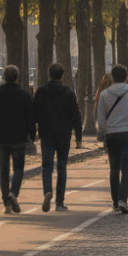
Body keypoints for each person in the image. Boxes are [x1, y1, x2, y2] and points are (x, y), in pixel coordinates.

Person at [96, 64, 128, 214]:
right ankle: (123, 200)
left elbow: (100, 118)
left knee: (114, 169)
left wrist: (104, 132)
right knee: (126, 169)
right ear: (126, 77)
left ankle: (114, 202)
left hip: (111, 134)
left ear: (112, 77)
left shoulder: (104, 94)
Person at [33, 63, 83, 212]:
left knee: (46, 166)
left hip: (46, 133)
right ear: (62, 75)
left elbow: (34, 113)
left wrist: (32, 132)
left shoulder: (41, 92)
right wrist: (78, 134)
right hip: (64, 134)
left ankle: (47, 191)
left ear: (49, 75)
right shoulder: (68, 92)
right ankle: (60, 202)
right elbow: (76, 114)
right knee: (62, 167)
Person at [0, 65, 36, 214]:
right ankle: (13, 192)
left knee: (4, 170)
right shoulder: (24, 95)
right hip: (19, 137)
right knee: (18, 169)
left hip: (1, 137)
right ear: (17, 77)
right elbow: (30, 118)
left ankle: (6, 203)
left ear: (3, 77)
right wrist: (32, 135)